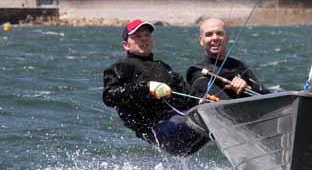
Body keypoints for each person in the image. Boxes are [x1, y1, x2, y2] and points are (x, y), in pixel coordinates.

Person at [103, 19, 209, 155]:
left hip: (178, 122)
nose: (144, 39)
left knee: (211, 116)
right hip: (156, 129)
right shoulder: (120, 67)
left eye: (147, 35)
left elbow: (187, 95)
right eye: (137, 37)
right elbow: (109, 96)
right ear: (126, 45)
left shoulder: (163, 67)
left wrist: (202, 100)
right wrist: (147, 88)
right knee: (204, 121)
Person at [186, 18, 265, 100]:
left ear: (227, 38)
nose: (215, 38)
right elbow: (221, 100)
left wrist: (247, 87)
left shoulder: (240, 66)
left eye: (219, 33)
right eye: (209, 34)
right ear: (201, 41)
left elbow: (267, 95)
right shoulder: (196, 72)